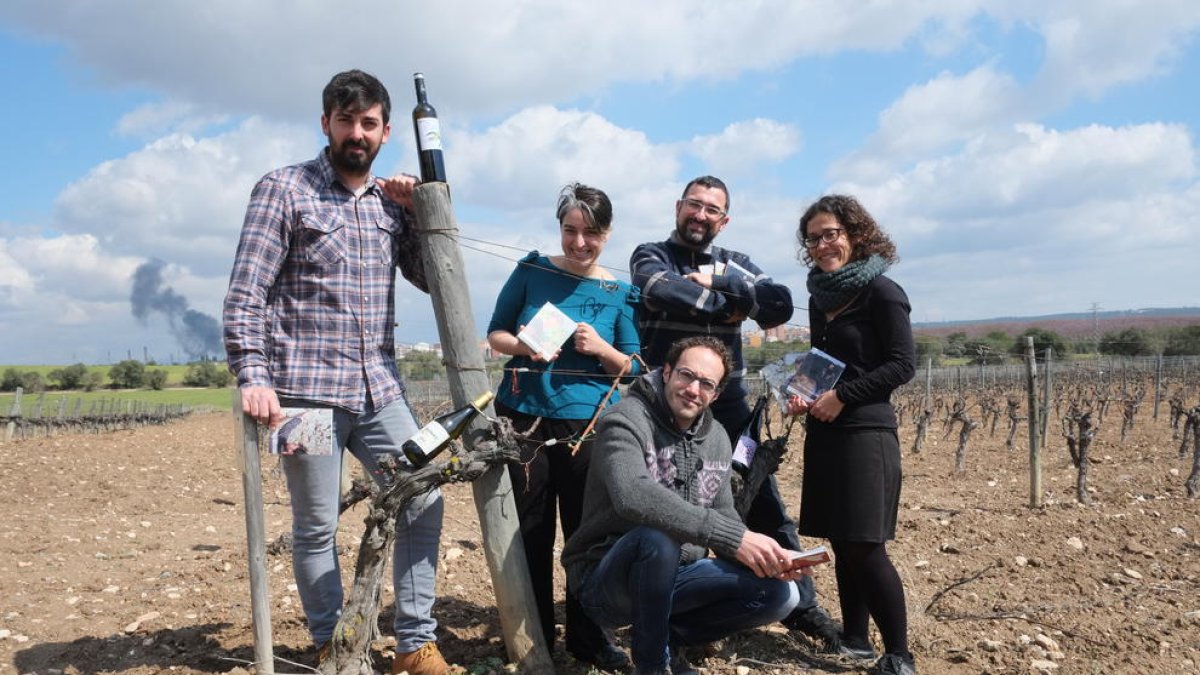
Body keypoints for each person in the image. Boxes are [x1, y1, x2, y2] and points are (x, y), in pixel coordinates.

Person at [223, 70, 448, 675]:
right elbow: (246, 292)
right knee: (317, 525)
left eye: (368, 123)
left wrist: (419, 210)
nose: (357, 133)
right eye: (346, 121)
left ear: (386, 131)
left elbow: (432, 279)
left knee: (423, 498)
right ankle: (335, 646)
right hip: (303, 396)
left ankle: (414, 645)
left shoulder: (389, 204)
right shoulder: (283, 189)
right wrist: (252, 374)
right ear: (325, 123)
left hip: (381, 391)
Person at [629, 176, 841, 646]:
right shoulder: (650, 254)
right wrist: (736, 305)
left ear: (723, 221)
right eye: (694, 204)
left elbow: (780, 304)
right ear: (678, 207)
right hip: (662, 407)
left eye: (712, 209)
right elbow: (659, 289)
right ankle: (657, 607)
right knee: (661, 505)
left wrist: (718, 283)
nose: (700, 215)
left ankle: (802, 607)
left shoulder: (735, 263)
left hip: (727, 407)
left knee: (760, 499)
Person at [561, 337, 801, 675]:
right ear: (667, 373)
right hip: (608, 580)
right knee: (657, 537)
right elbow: (632, 494)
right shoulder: (624, 420)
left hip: (678, 576)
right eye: (686, 375)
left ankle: (667, 641)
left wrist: (766, 560)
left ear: (716, 394)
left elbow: (723, 512)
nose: (693, 389)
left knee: (781, 594)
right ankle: (653, 667)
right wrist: (735, 539)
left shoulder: (716, 437)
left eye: (706, 384)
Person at [485, 183, 640, 669]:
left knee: (585, 534)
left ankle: (587, 638)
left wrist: (603, 349)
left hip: (589, 425)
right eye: (570, 230)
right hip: (523, 419)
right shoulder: (532, 270)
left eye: (591, 233)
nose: (579, 242)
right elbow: (495, 333)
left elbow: (634, 366)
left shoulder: (618, 291)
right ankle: (531, 640)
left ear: (607, 234)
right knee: (529, 529)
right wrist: (525, 346)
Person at [787, 194, 917, 675]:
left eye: (831, 234)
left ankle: (899, 655)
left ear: (856, 235)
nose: (822, 245)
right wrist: (803, 392)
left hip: (866, 432)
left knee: (865, 543)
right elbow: (823, 363)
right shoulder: (820, 298)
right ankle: (856, 638)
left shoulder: (882, 292)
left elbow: (902, 365)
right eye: (813, 239)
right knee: (843, 539)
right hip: (826, 431)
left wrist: (844, 396)